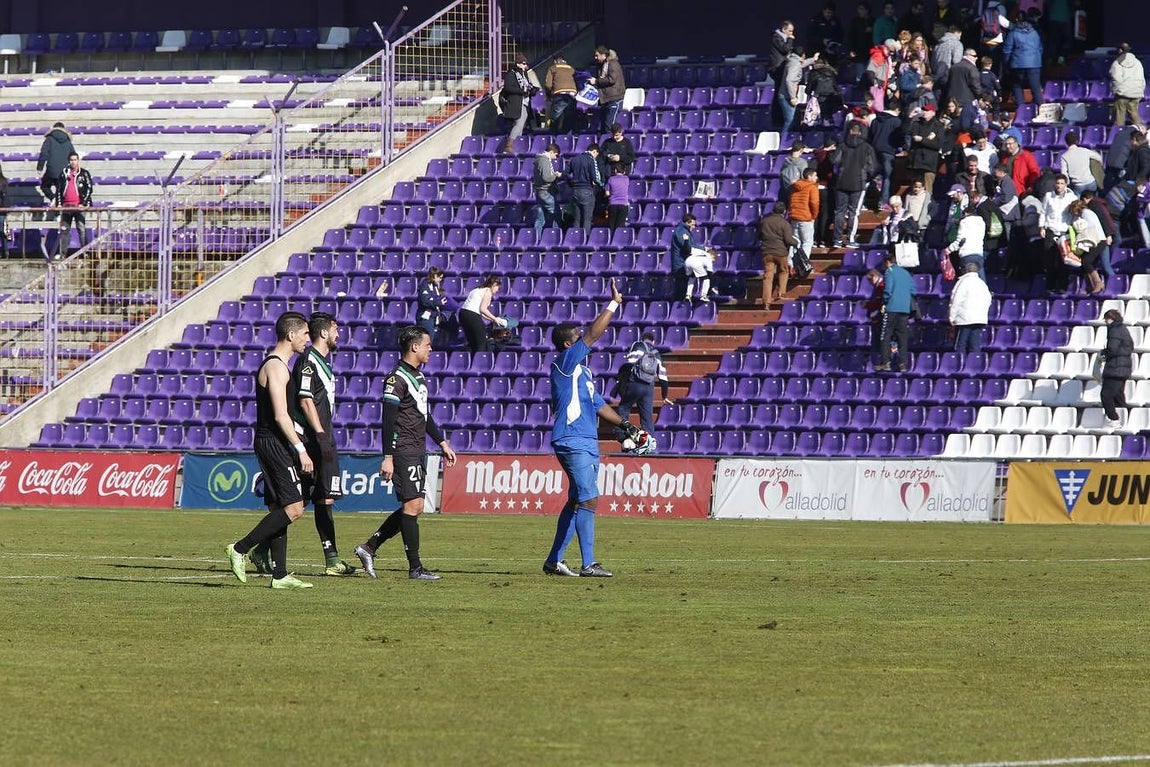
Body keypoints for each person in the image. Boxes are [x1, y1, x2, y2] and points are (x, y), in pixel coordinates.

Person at [544, 279, 633, 578]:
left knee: (578, 499)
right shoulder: (565, 362)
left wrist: (626, 425)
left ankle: (554, 560)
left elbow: (598, 404)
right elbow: (595, 334)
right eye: (578, 338)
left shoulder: (582, 372)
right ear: (569, 344)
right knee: (589, 498)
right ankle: (589, 564)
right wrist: (613, 304)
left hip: (585, 439)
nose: (584, 340)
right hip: (572, 438)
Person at [355, 326, 458, 581]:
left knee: (416, 505)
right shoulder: (396, 378)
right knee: (412, 505)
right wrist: (388, 456)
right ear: (414, 347)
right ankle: (415, 567)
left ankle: (369, 547)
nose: (430, 349)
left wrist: (442, 442)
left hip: (416, 447)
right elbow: (388, 420)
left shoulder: (418, 378)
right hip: (403, 449)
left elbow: (424, 415)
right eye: (427, 345)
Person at [224, 311, 316, 590]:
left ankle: (280, 575)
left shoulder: (281, 366)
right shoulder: (276, 367)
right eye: (305, 334)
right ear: (291, 335)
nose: (307, 340)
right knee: (295, 508)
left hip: (276, 440)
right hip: (273, 442)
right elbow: (280, 415)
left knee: (280, 507)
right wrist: (301, 449)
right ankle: (240, 548)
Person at [279, 312, 356, 575]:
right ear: (324, 333)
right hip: (313, 440)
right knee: (297, 502)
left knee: (324, 498)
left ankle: (332, 559)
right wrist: (322, 435)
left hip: (322, 437)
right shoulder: (309, 361)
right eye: (335, 328)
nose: (338, 334)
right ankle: (262, 547)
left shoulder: (323, 363)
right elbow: (305, 400)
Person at [617, 330, 672, 441]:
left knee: (624, 408)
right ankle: (649, 443)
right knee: (647, 417)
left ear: (642, 339)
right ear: (653, 341)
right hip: (648, 387)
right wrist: (664, 396)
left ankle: (622, 436)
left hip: (634, 383)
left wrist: (620, 382)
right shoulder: (657, 353)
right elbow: (663, 378)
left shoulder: (638, 345)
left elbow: (629, 364)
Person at [830, 121, 877, 248]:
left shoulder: (843, 145)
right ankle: (850, 239)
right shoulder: (867, 147)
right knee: (853, 212)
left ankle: (837, 240)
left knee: (839, 212)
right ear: (861, 132)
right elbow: (872, 168)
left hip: (841, 182)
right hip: (858, 183)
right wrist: (868, 177)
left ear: (849, 131)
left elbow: (835, 160)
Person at [875, 251, 916, 372]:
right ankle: (903, 364)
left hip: (892, 307)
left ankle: (885, 362)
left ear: (887, 262)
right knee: (902, 337)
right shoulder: (906, 273)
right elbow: (913, 290)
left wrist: (885, 301)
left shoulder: (889, 272)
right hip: (904, 308)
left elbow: (888, 290)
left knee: (885, 335)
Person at [1038, 174, 1078, 293]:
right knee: (1050, 260)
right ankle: (1049, 286)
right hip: (1051, 230)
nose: (1059, 186)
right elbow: (1043, 212)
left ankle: (1062, 287)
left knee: (1063, 261)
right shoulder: (1048, 196)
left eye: (1062, 183)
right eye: (1058, 183)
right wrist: (1042, 227)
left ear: (1066, 185)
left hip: (1064, 232)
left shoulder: (1071, 197)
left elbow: (1075, 212)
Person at [53, 152, 93, 260]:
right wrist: (59, 203)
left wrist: (83, 203)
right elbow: (59, 189)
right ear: (68, 161)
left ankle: (85, 252)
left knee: (81, 229)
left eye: (75, 160)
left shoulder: (84, 173)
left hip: (79, 206)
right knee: (64, 230)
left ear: (78, 160)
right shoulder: (64, 173)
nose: (73, 162)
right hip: (67, 206)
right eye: (71, 160)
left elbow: (89, 189)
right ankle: (62, 254)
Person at [1002, 9, 1044, 109]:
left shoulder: (1013, 33)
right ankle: (1042, 110)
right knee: (1036, 88)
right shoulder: (1035, 32)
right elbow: (1040, 48)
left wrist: (1007, 64)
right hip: (1034, 63)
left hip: (1017, 63)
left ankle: (1021, 109)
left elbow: (1007, 50)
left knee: (1017, 86)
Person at [1099, 309, 1134, 429]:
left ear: (1111, 318)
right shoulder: (1123, 329)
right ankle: (1127, 420)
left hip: (1115, 369)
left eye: (1106, 319)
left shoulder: (1114, 330)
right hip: (1123, 368)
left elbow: (1112, 349)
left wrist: (1103, 354)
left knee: (1106, 395)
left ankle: (1114, 419)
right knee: (1118, 397)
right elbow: (1130, 346)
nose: (1105, 322)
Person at [759, 201, 798, 305]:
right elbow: (789, 240)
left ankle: (766, 301)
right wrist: (796, 242)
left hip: (767, 252)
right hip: (781, 253)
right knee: (784, 271)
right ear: (784, 211)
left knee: (768, 277)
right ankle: (781, 294)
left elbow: (759, 236)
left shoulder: (764, 221)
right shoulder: (784, 223)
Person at [948, 262, 992, 353]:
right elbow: (988, 300)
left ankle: (959, 364)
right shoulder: (982, 284)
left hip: (964, 319)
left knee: (960, 344)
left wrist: (952, 317)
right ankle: (975, 365)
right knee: (975, 345)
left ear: (966, 270)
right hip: (979, 318)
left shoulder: (963, 282)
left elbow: (956, 300)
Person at [1065, 198, 1106, 294]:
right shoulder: (1082, 215)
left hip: (1097, 240)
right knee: (1083, 263)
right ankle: (1090, 285)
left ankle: (1098, 283)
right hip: (1091, 241)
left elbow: (1086, 228)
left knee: (1086, 262)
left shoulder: (1086, 214)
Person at [868, 98, 904, 206]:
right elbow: (898, 138)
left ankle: (867, 198)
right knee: (887, 176)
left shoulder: (875, 120)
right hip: (888, 151)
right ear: (897, 109)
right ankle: (883, 201)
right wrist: (899, 147)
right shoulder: (897, 122)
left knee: (871, 174)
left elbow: (870, 135)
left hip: (874, 150)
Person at [458, 275, 506, 352]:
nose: (498, 290)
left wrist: (492, 320)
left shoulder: (476, 290)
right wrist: (495, 318)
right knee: (481, 342)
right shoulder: (488, 291)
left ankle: (470, 360)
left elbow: (480, 312)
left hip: (463, 314)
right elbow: (483, 309)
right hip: (472, 315)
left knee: (472, 342)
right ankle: (479, 361)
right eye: (498, 287)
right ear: (494, 285)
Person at [499, 53, 534, 154]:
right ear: (518, 64)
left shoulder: (524, 74)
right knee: (519, 123)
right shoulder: (511, 73)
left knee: (520, 124)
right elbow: (508, 88)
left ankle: (514, 146)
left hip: (525, 102)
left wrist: (532, 89)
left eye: (526, 63)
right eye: (523, 63)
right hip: (516, 103)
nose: (525, 65)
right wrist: (522, 90)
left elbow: (527, 86)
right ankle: (508, 146)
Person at [946, 202, 987, 281]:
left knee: (966, 280)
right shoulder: (981, 222)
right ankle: (985, 291)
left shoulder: (964, 222)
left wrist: (949, 249)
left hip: (967, 254)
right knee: (981, 279)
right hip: (978, 253)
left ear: (966, 213)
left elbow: (961, 240)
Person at [567, 142, 602, 234]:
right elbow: (595, 178)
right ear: (595, 151)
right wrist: (602, 185)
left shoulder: (574, 159)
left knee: (577, 219)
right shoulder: (591, 160)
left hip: (575, 191)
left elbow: (565, 173)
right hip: (587, 190)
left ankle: (575, 239)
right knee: (587, 219)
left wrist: (570, 184)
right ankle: (585, 240)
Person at [36, 121, 75, 205]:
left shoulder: (49, 139)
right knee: (60, 191)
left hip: (51, 169)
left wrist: (40, 167)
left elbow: (44, 153)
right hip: (64, 171)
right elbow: (73, 155)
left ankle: (52, 198)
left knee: (45, 186)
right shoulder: (68, 141)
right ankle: (58, 213)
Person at [589, 46, 625, 133]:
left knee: (609, 126)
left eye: (597, 55)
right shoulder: (602, 65)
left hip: (614, 98)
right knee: (604, 125)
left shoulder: (613, 64)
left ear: (604, 55)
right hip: (605, 99)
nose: (595, 58)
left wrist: (596, 81)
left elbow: (612, 79)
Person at [1111, 43, 1146, 129]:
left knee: (1119, 116)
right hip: (1136, 92)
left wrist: (1116, 91)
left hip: (1123, 93)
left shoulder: (1117, 62)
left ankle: (1119, 134)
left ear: (1120, 50)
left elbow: (1116, 78)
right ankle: (1142, 132)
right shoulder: (1138, 62)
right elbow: (1142, 78)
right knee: (1134, 113)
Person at [532, 142, 562, 238]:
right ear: (552, 152)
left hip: (539, 191)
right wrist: (556, 175)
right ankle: (556, 238)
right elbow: (547, 178)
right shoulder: (544, 160)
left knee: (540, 218)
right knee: (556, 214)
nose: (555, 158)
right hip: (546, 192)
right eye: (556, 155)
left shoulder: (539, 160)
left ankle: (536, 239)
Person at [788, 167, 820, 256]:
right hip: (806, 218)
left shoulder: (794, 187)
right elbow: (814, 203)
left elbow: (791, 201)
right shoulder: (812, 187)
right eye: (815, 175)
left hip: (794, 217)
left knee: (795, 242)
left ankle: (791, 263)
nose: (816, 178)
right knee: (807, 242)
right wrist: (814, 216)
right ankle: (803, 265)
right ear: (809, 176)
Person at [415, 267, 451, 343]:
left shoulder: (434, 286)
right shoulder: (424, 285)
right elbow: (424, 301)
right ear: (434, 276)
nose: (441, 279)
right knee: (426, 340)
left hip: (434, 316)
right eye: (440, 277)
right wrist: (438, 303)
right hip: (426, 317)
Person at [544, 55, 578, 134]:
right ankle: (567, 138)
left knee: (555, 118)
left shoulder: (553, 68)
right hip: (572, 95)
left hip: (560, 94)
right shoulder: (571, 68)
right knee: (569, 119)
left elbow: (548, 85)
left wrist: (549, 95)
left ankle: (553, 137)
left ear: (555, 61)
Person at [669, 214, 699, 302]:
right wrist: (704, 249)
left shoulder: (683, 231)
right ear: (687, 223)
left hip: (683, 265)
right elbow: (688, 247)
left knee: (683, 291)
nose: (694, 227)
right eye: (692, 225)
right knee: (681, 292)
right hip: (681, 266)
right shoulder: (681, 232)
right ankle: (679, 313)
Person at [768, 20, 797, 85]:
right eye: (790, 31)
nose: (791, 33)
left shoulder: (783, 39)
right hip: (777, 67)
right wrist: (790, 39)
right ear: (784, 29)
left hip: (783, 66)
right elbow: (785, 49)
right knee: (779, 88)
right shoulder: (776, 37)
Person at [603, 163, 630, 231]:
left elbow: (607, 193)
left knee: (611, 225)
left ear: (615, 170)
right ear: (624, 171)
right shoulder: (627, 179)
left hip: (613, 204)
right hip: (623, 204)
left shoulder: (611, 179)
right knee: (620, 227)